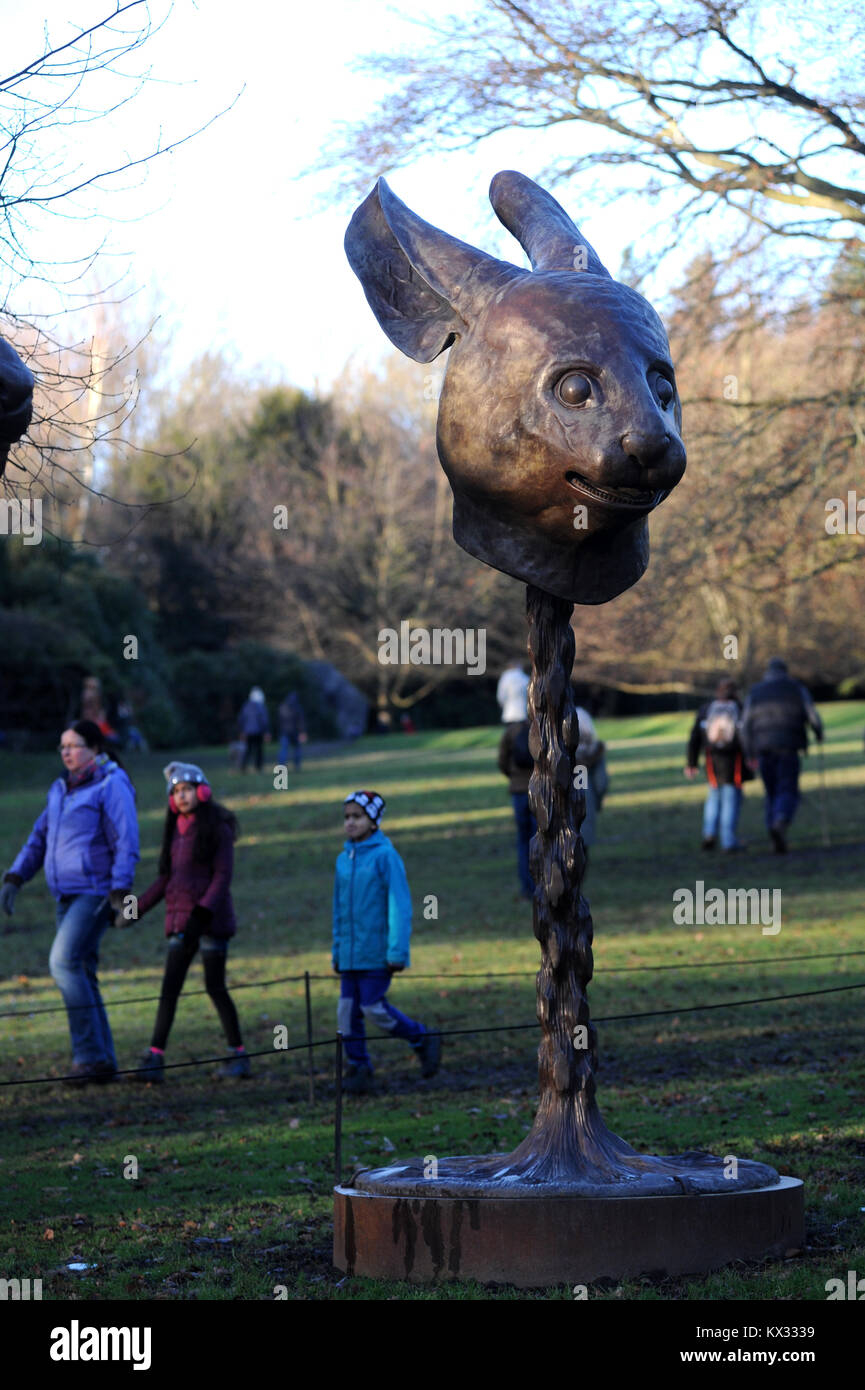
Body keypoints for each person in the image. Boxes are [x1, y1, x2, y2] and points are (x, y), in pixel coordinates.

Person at [0, 721, 139, 1085]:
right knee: (82, 972)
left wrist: (120, 892)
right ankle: (103, 1061)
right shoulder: (60, 789)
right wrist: (16, 876)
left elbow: (127, 839)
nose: (66, 753)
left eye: (74, 746)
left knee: (62, 963)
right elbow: (39, 836)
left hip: (97, 891)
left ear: (94, 748)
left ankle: (90, 1057)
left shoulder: (112, 784)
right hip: (64, 894)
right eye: (62, 746)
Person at [132, 762, 249, 1082]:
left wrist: (201, 914)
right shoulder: (175, 833)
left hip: (208, 922)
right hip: (181, 923)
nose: (181, 797)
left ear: (202, 791)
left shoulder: (219, 828)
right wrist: (132, 911)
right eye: (176, 792)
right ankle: (155, 1058)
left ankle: (238, 1055)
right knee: (169, 989)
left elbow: (222, 877)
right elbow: (164, 880)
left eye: (186, 789)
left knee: (215, 986)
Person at [333, 790, 440, 1094]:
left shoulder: (386, 857)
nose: (350, 823)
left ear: (374, 821)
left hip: (377, 954)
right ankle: (358, 1067)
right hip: (350, 955)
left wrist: (396, 951)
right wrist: (337, 949)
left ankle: (421, 1037)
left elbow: (400, 906)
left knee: (373, 1008)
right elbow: (338, 910)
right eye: (347, 817)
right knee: (346, 1012)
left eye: (357, 817)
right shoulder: (343, 860)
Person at [741, 658, 824, 853]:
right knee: (787, 788)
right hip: (789, 747)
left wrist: (748, 751)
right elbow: (812, 714)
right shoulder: (796, 688)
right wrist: (818, 732)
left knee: (771, 792)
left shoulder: (755, 691)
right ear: (785, 671)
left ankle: (773, 829)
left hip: (763, 748)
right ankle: (780, 821)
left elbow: (744, 724)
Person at [685, 679, 748, 853]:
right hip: (733, 761)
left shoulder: (706, 710)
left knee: (713, 797)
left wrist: (691, 762)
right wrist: (752, 757)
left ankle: (709, 833)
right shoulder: (739, 709)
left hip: (712, 761)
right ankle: (728, 841)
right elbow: (747, 736)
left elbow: (694, 737)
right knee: (731, 799)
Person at [497, 717, 536, 897]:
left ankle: (526, 886)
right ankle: (541, 884)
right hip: (539, 791)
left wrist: (513, 777)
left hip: (519, 791)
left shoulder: (511, 732)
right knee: (539, 840)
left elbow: (502, 761)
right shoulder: (544, 729)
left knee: (523, 840)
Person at [237, 687, 270, 772]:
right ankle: (258, 767)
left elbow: (241, 719)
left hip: (247, 732)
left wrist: (242, 731)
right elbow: (264, 720)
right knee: (259, 750)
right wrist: (266, 732)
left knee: (248, 750)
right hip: (258, 732)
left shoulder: (246, 706)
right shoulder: (260, 707)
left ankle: (243, 767)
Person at [277, 691, 307, 771]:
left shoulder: (282, 707)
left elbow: (279, 721)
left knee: (283, 750)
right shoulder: (297, 708)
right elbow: (301, 721)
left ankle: (281, 767)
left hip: (284, 732)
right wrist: (302, 732)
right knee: (297, 749)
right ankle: (297, 766)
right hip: (295, 732)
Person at [496, 657, 530, 724]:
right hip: (523, 713)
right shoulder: (525, 678)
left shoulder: (505, 676)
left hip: (509, 714)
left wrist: (502, 705)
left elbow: (501, 695)